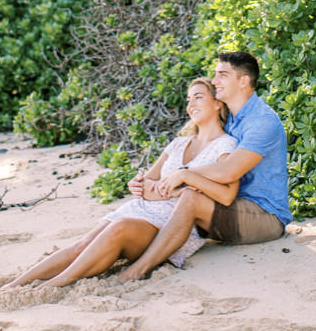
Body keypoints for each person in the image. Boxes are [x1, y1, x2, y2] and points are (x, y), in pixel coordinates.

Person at [1, 78, 238, 289]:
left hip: (169, 224)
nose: (191, 104)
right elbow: (147, 182)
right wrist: (140, 185)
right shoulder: (178, 143)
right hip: (140, 209)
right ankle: (15, 285)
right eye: (188, 100)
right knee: (82, 244)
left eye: (198, 97)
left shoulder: (226, 146)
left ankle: (54, 285)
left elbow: (223, 194)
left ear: (218, 103)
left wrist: (168, 189)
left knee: (120, 228)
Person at [116, 50, 290, 283]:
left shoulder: (262, 122)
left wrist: (185, 174)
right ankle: (123, 249)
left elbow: (229, 170)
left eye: (222, 75)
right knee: (175, 200)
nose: (215, 81)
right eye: (215, 75)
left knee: (190, 197)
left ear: (243, 81)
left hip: (264, 216)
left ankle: (137, 270)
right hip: (227, 205)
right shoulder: (230, 120)